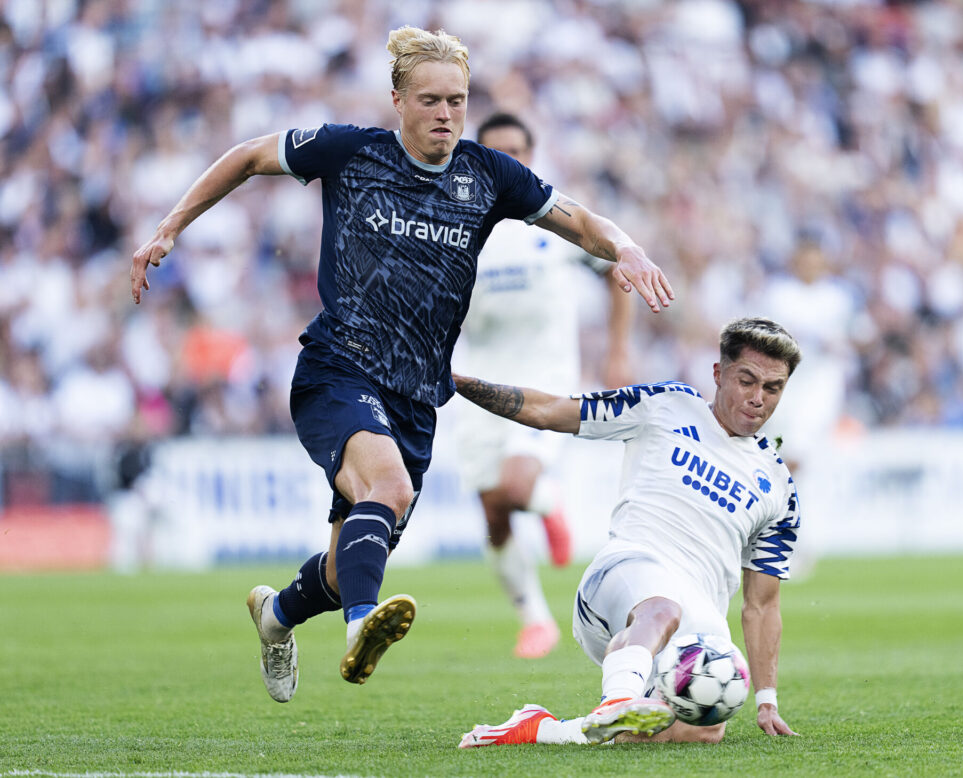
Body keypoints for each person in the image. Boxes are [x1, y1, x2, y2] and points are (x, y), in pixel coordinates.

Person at [129, 26, 673, 704]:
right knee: (387, 489)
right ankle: (363, 629)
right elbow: (245, 158)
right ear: (398, 100)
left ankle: (275, 618)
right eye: (432, 100)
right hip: (338, 367)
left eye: (459, 100)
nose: (447, 113)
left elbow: (581, 221)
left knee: (346, 559)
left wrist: (629, 249)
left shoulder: (489, 174)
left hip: (417, 396)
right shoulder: (350, 151)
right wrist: (168, 226)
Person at [454, 317, 801, 746]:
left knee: (702, 729)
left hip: (696, 624)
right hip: (624, 575)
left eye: (773, 388)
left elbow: (762, 604)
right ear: (718, 373)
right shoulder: (665, 406)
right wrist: (454, 382)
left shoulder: (779, 487)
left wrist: (767, 699)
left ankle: (542, 728)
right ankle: (617, 699)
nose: (757, 399)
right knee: (661, 607)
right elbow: (551, 411)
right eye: (747, 381)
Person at [454, 112, 632, 659]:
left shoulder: (555, 219)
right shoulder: (457, 223)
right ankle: (534, 619)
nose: (509, 160)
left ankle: (548, 503)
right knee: (493, 510)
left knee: (514, 486)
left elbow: (616, 271)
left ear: (531, 156)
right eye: (496, 151)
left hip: (546, 377)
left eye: (517, 151)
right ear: (479, 158)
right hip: (475, 379)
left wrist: (618, 351)